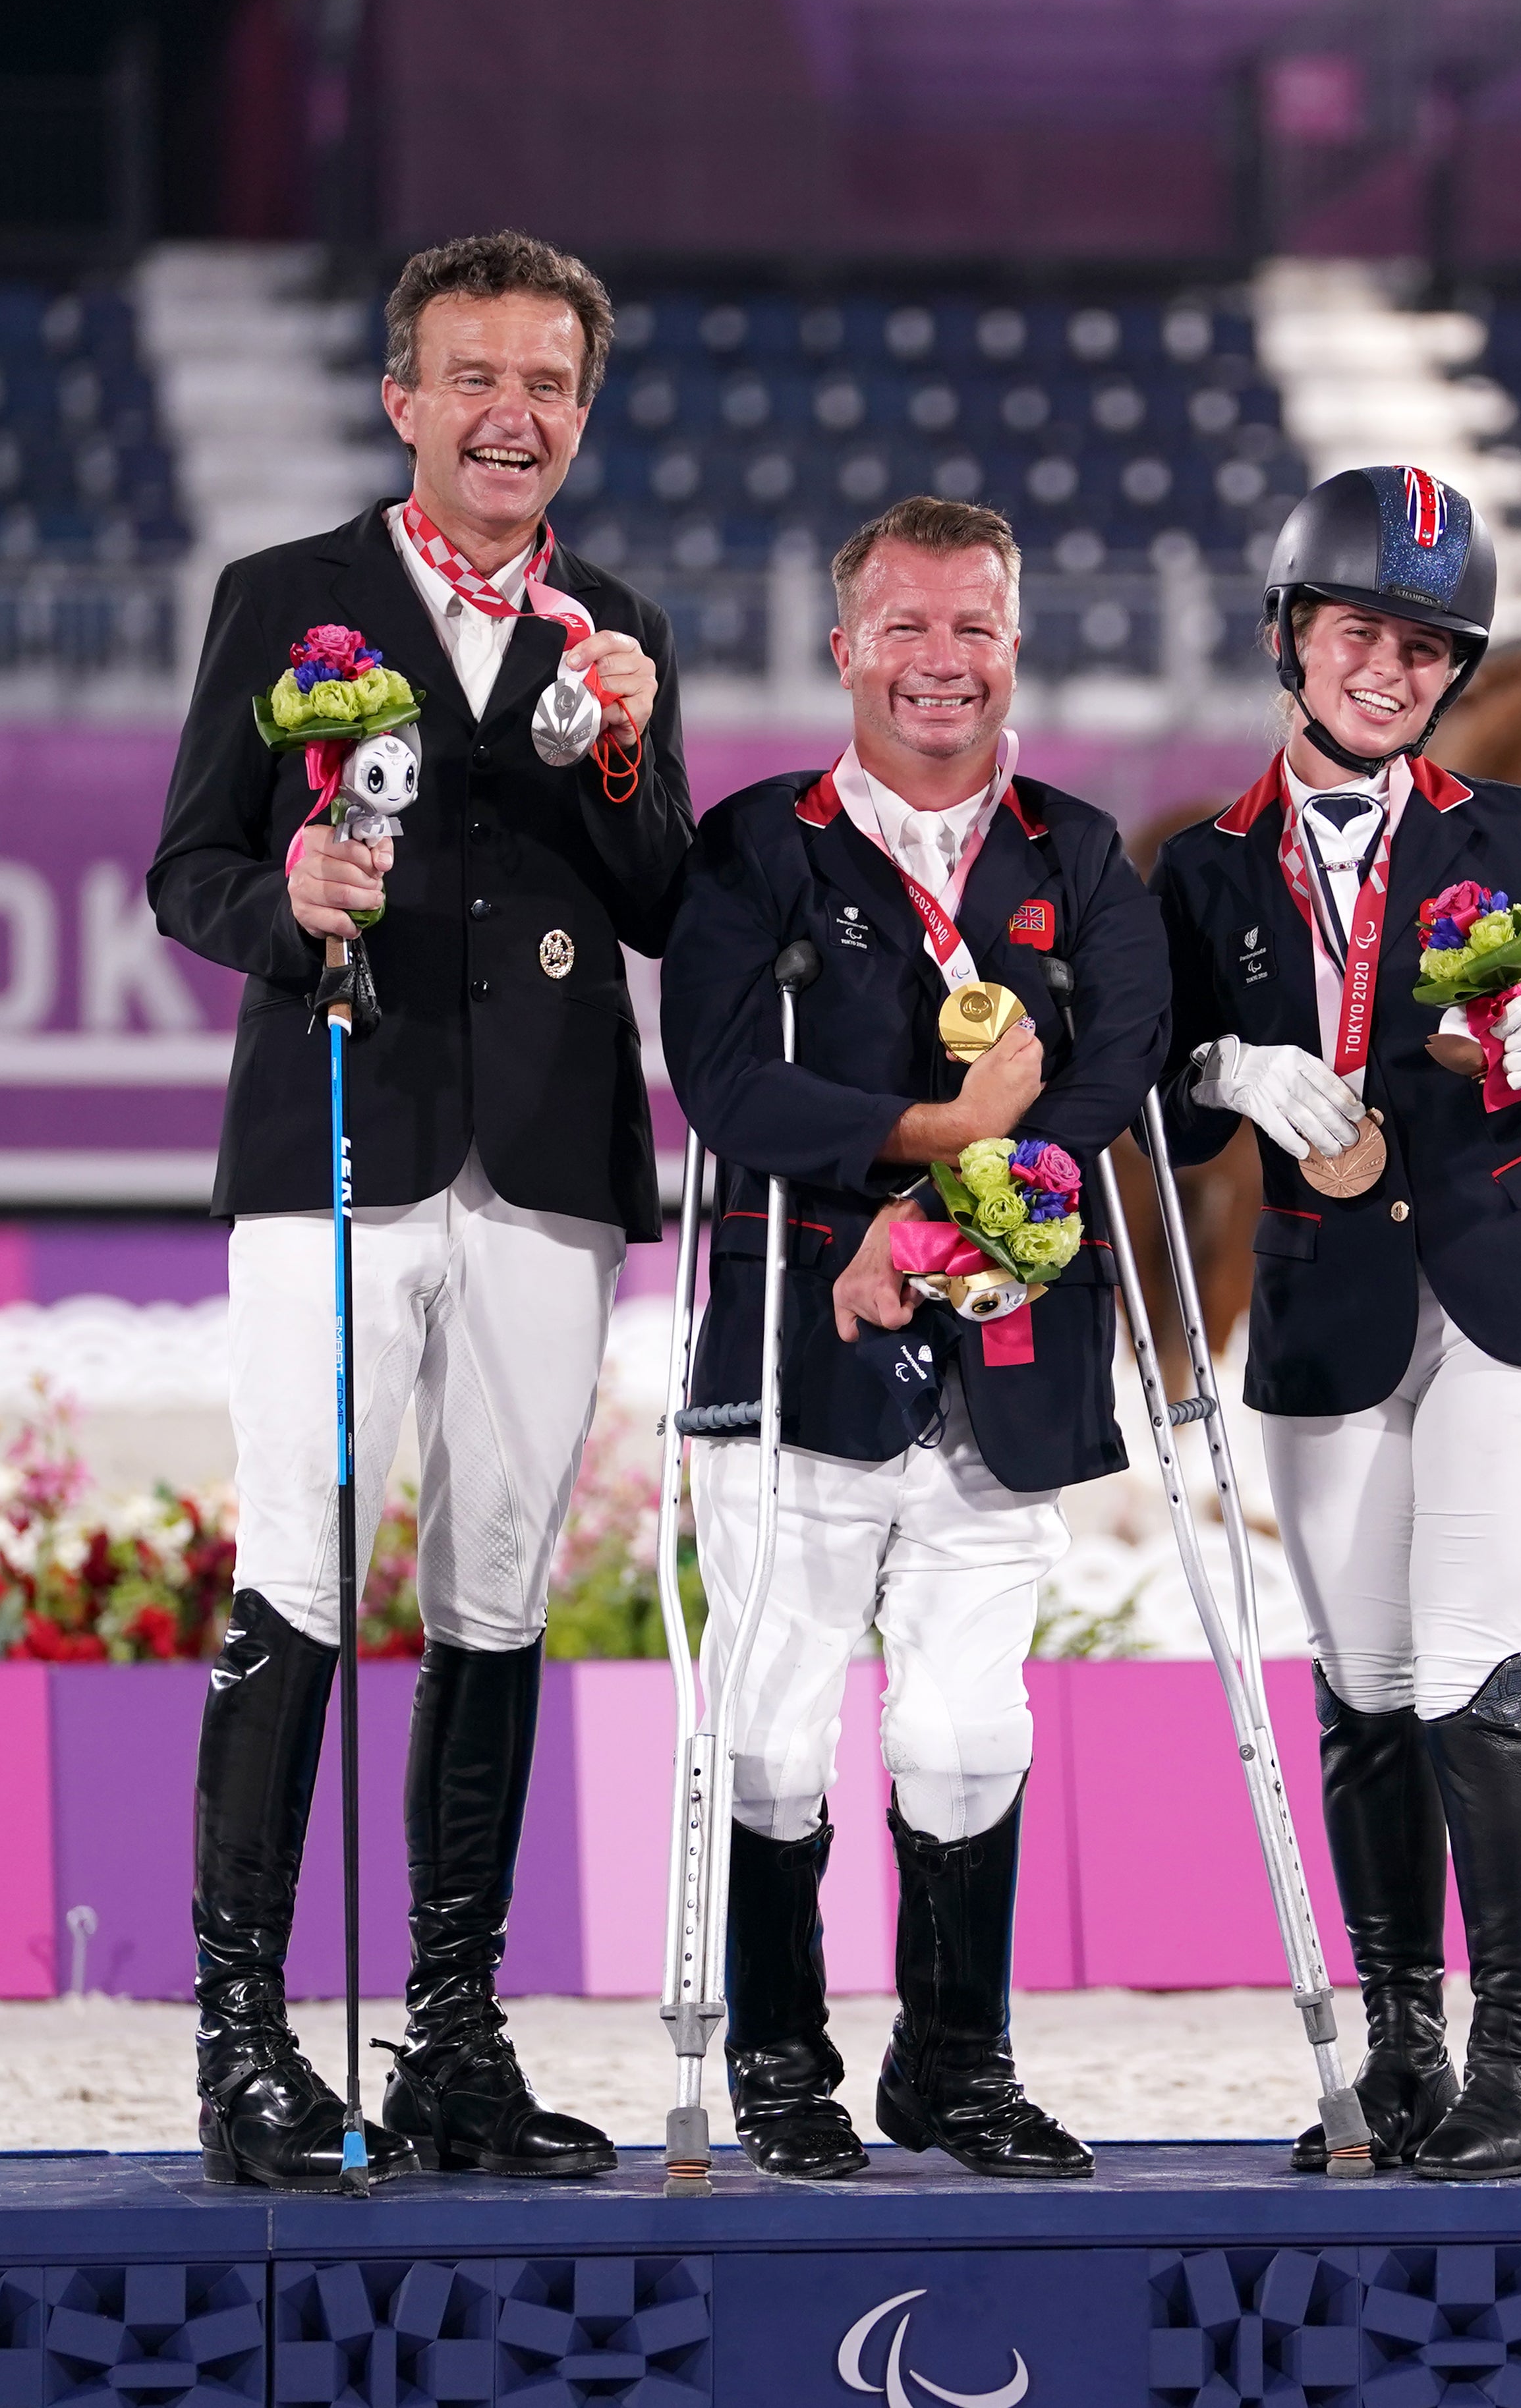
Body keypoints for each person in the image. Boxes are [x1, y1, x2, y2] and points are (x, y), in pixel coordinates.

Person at [146, 231, 693, 2189]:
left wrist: (627, 739)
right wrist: (278, 909)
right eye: (475, 376)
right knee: (297, 1564)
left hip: (547, 1168)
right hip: (337, 1146)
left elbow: (655, 900)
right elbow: (186, 866)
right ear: (402, 398)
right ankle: (241, 2041)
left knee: (493, 1596)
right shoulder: (283, 598)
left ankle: (454, 2033)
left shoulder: (615, 621)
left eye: (546, 383)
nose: (511, 415)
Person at [1149, 466, 1521, 2182]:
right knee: (1361, 1691)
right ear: (1289, 634)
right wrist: (1216, 1063)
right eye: (1361, 629)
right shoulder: (1200, 869)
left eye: (1426, 644)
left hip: (1509, 1291)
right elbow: (1159, 1099)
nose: (1391, 666)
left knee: (1462, 1676)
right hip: (1324, 1305)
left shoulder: (1505, 830)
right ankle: (1400, 2052)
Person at [660, 495, 1168, 2182]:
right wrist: (928, 1137)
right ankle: (782, 2064)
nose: (937, 661)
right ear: (842, 647)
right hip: (793, 1328)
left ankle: (953, 2067)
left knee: (968, 1726)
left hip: (1005, 1340)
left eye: (970, 627)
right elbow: (730, 1086)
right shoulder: (751, 846)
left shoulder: (1080, 855)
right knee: (771, 1718)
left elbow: (1111, 1082)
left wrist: (949, 1205)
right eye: (903, 625)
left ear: (1013, 644)